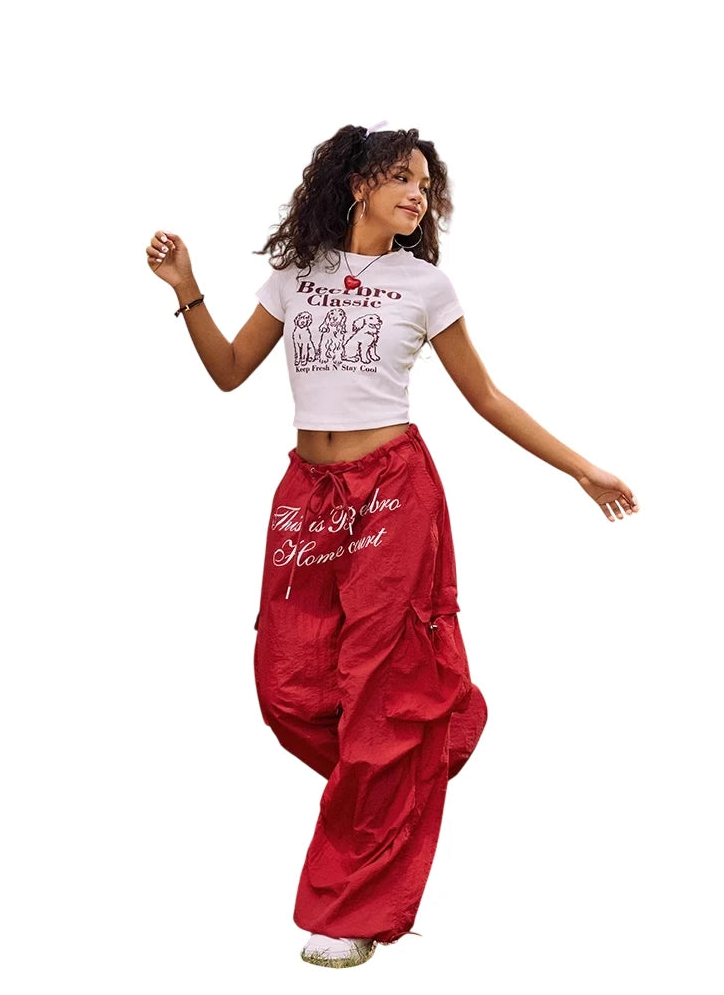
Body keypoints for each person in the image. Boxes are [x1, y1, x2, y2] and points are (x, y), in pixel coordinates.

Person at [145, 122, 640, 969]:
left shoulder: (426, 286)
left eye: (425, 184)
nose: (418, 193)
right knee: (287, 687)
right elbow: (228, 371)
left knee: (379, 693)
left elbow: (487, 397)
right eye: (402, 177)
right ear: (357, 183)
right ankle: (421, 749)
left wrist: (581, 469)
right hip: (309, 498)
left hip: (394, 493)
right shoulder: (296, 276)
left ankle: (351, 910)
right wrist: (188, 289)